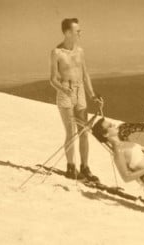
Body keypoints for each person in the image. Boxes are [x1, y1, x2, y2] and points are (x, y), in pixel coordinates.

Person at [49, 18, 101, 181]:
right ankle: (71, 168)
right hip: (65, 92)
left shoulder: (80, 51)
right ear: (67, 32)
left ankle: (85, 168)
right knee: (71, 132)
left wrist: (92, 95)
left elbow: (85, 75)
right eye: (77, 31)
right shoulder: (56, 52)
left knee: (84, 132)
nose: (80, 33)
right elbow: (52, 79)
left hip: (80, 94)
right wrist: (64, 89)